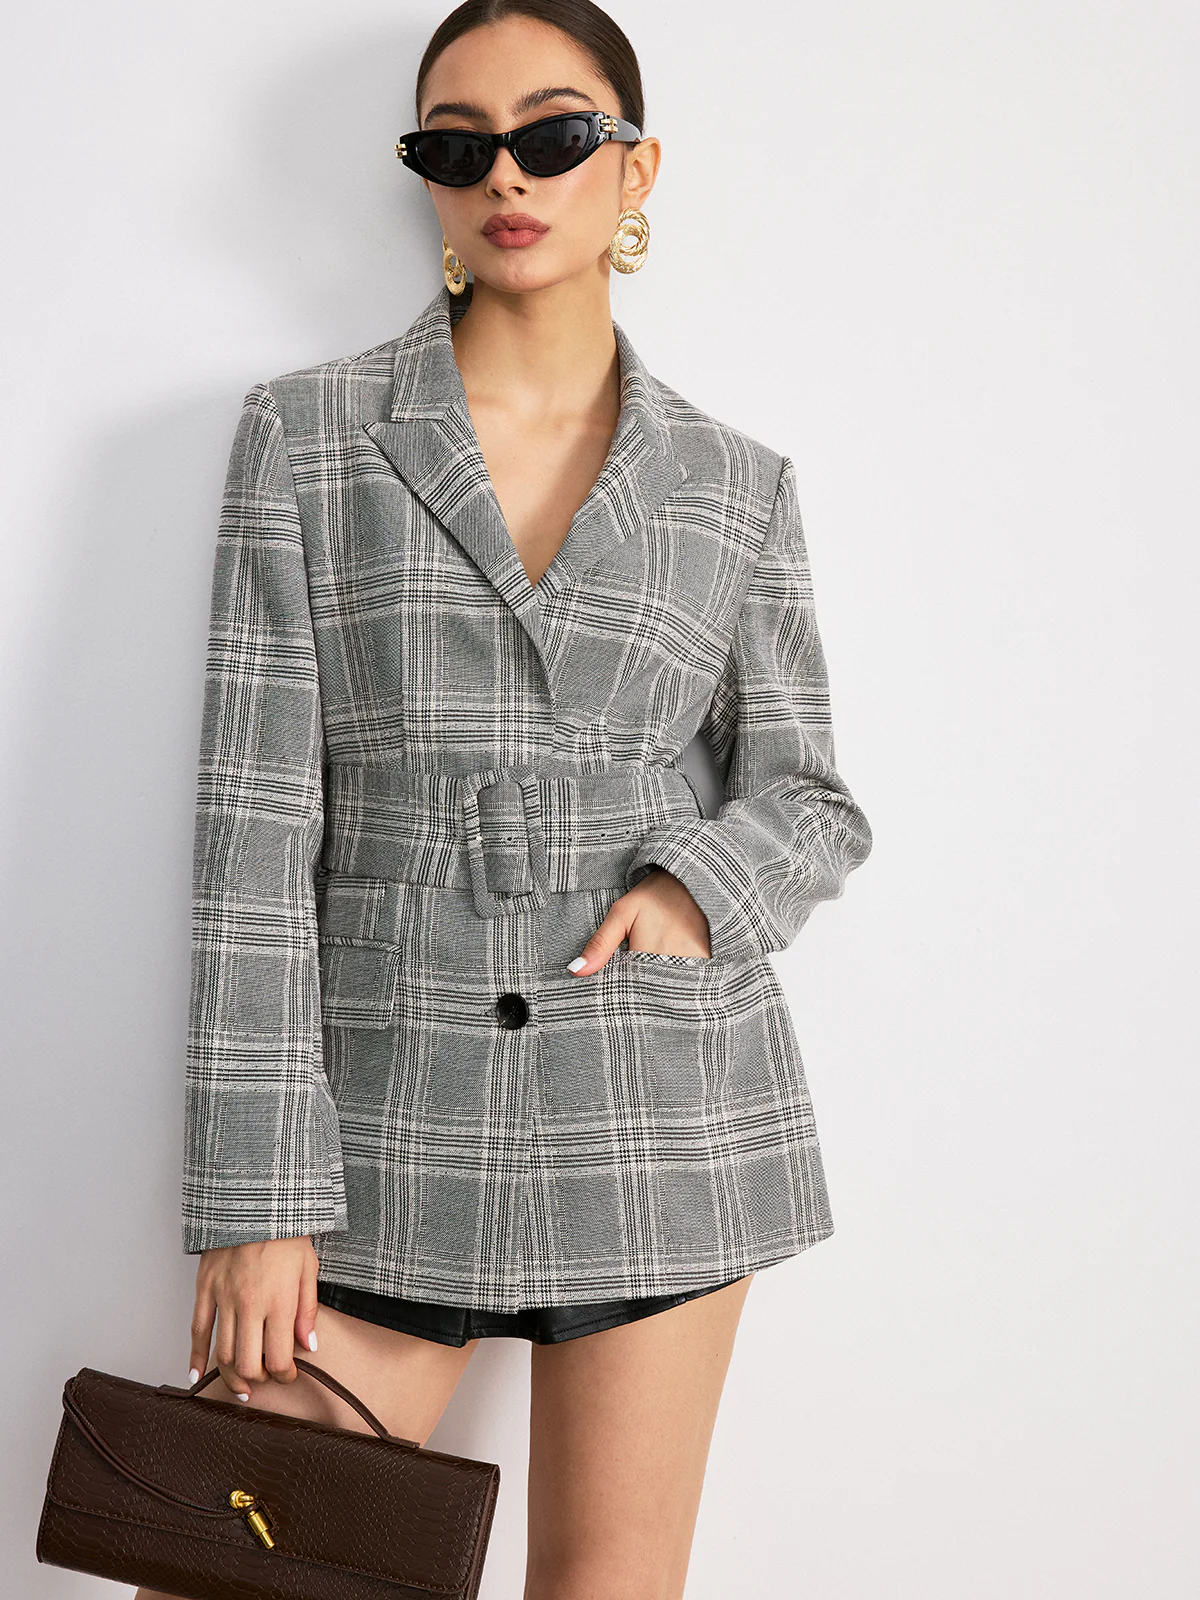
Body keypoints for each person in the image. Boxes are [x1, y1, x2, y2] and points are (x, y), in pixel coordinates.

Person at [144, 3, 872, 1596]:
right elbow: (251, 838)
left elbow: (811, 796)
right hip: (381, 1116)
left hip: (661, 1105)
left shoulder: (734, 484)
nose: (508, 176)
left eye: (553, 134)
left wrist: (692, 893)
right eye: (457, 145)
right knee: (218, 1562)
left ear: (635, 168)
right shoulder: (311, 438)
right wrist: (257, 1195)